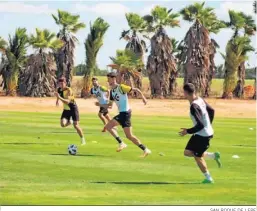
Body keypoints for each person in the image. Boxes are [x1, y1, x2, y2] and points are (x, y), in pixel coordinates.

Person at [97, 72, 151, 157]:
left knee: (116, 130)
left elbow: (136, 89)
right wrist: (100, 104)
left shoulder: (121, 87)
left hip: (125, 113)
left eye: (109, 79)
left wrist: (143, 98)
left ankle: (126, 144)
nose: (108, 80)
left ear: (114, 79)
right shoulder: (111, 92)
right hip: (122, 114)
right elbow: (110, 106)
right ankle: (142, 149)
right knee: (125, 134)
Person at [179, 83, 222, 184]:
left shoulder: (194, 106)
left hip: (202, 135)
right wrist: (209, 125)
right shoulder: (199, 99)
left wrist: (187, 131)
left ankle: (208, 178)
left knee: (197, 157)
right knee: (187, 152)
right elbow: (212, 110)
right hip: (202, 133)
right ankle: (213, 156)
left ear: (185, 93)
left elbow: (200, 125)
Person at [55, 77, 86, 145]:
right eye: (60, 83)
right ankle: (70, 122)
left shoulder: (69, 90)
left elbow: (68, 101)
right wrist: (57, 101)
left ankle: (83, 139)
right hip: (66, 109)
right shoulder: (58, 89)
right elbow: (58, 95)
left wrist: (59, 98)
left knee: (76, 125)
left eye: (63, 83)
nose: (61, 84)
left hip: (73, 108)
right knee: (62, 124)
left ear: (65, 83)